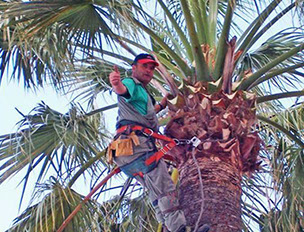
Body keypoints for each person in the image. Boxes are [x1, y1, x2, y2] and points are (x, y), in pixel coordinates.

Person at [108, 53, 210, 232]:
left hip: (124, 155)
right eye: (144, 66)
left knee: (156, 194)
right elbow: (122, 91)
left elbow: (146, 114)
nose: (148, 70)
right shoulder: (132, 83)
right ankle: (179, 228)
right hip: (137, 148)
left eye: (151, 68)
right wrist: (116, 84)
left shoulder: (142, 95)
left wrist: (163, 105)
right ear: (134, 68)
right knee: (165, 189)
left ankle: (169, 226)